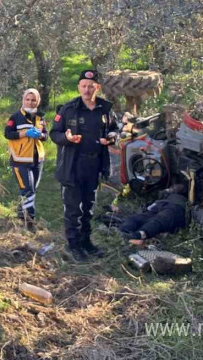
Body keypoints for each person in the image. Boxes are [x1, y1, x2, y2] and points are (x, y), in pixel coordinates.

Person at [50, 70, 120, 262]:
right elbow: (54, 134)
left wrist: (112, 137)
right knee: (73, 208)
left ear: (97, 88)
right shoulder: (68, 109)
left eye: (91, 86)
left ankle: (86, 242)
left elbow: (115, 129)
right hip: (73, 164)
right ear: (79, 87)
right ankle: (74, 246)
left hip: (95, 164)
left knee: (89, 207)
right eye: (84, 86)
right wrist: (67, 137)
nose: (87, 90)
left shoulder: (105, 109)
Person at [4, 89, 47, 230]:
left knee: (31, 190)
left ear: (37, 101)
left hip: (37, 159)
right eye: (27, 99)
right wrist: (25, 133)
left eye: (33, 100)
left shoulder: (41, 118)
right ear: (23, 100)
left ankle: (20, 217)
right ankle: (30, 223)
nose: (30, 102)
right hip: (20, 160)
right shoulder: (15, 117)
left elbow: (46, 136)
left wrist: (40, 135)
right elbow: (8, 134)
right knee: (28, 191)